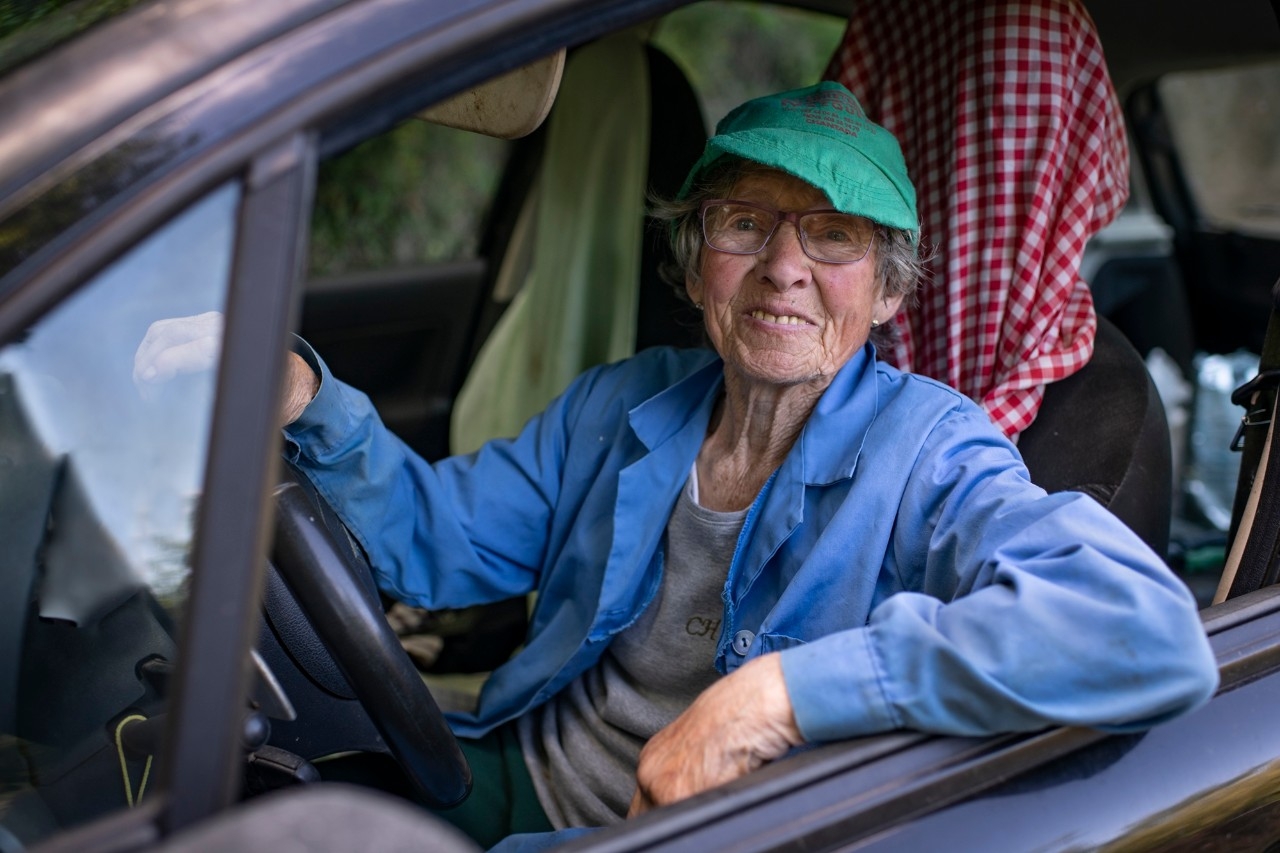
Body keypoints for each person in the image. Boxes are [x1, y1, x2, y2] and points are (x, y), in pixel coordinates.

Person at [136, 81, 1218, 850]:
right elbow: (432, 538)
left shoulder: (931, 448)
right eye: (744, 222)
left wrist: (775, 695)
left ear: (887, 293)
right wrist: (305, 400)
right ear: (695, 258)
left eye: (832, 236)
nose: (783, 267)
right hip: (504, 769)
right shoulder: (625, 401)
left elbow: (1142, 625)